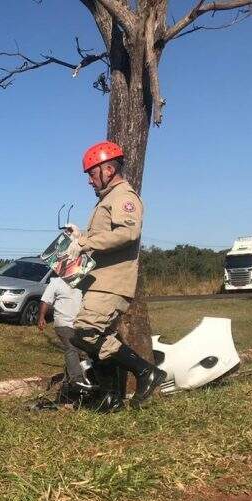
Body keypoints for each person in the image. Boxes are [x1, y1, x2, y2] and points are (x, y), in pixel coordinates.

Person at [65, 140, 165, 410]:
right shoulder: (108, 200)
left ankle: (146, 371)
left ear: (108, 169)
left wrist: (84, 244)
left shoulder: (124, 197)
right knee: (100, 338)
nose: (89, 181)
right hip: (99, 280)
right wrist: (80, 237)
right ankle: (111, 399)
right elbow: (105, 237)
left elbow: (128, 233)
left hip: (112, 282)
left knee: (86, 332)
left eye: (91, 173)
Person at [37, 274, 87, 390]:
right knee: (71, 348)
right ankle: (77, 381)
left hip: (81, 324)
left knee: (86, 352)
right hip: (63, 323)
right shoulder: (56, 282)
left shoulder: (84, 281)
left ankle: (72, 379)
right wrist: (41, 317)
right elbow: (45, 300)